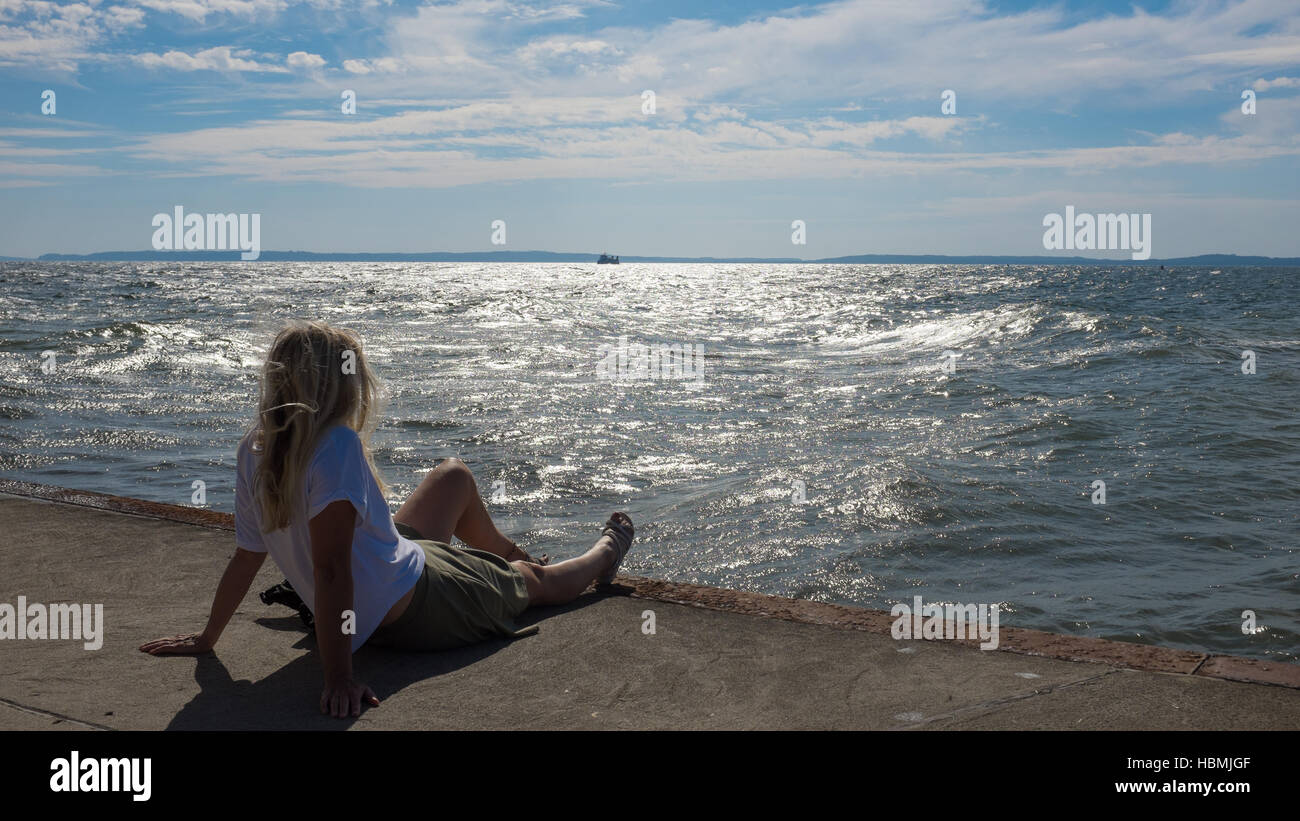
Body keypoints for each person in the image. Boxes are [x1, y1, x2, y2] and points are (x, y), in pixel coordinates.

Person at [140, 319, 634, 719]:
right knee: (538, 583)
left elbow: (248, 556)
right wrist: (338, 678)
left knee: (453, 476)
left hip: (397, 559)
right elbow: (331, 569)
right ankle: (604, 552)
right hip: (418, 604)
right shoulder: (334, 445)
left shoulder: (257, 448)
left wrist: (209, 638)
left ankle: (505, 555)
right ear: (339, 387)